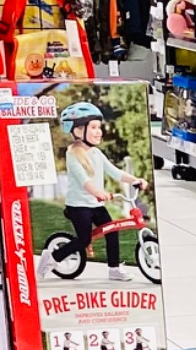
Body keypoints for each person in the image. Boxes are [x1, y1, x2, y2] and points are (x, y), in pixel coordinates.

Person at [42, 102, 145, 284]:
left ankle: (114, 269)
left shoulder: (97, 153)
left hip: (96, 205)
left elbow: (115, 172)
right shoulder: (73, 155)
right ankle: (52, 257)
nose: (99, 132)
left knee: (112, 231)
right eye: (94, 127)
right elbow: (84, 181)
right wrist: (98, 192)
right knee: (84, 240)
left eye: (99, 127)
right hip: (79, 206)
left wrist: (134, 180)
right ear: (78, 130)